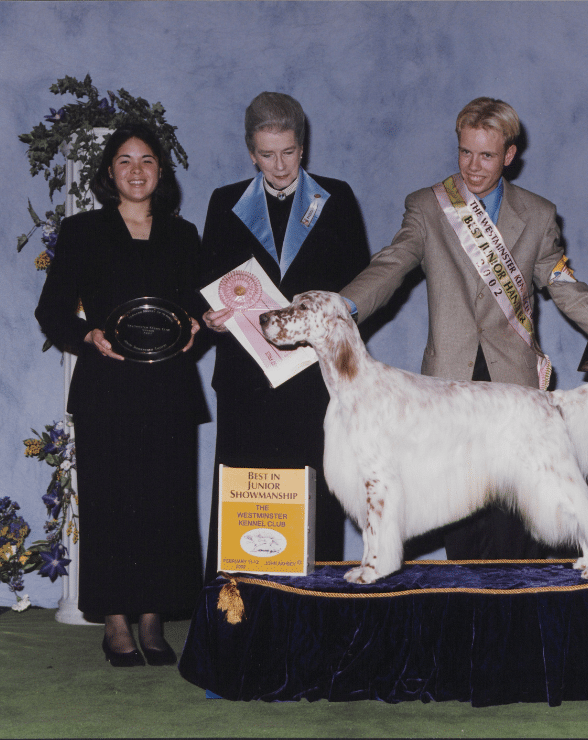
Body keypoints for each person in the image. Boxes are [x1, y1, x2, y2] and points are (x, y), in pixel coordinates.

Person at [340, 97, 588, 561]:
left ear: (509, 156)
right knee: (462, 528)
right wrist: (342, 305)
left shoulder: (537, 214)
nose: (473, 168)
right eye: (465, 153)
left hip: (513, 385)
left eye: (487, 155)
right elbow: (391, 266)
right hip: (448, 388)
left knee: (519, 534)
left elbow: (564, 285)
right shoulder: (429, 207)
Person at [35, 124, 207, 667]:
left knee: (166, 505)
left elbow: (198, 308)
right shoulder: (83, 230)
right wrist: (86, 335)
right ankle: (114, 624)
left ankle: (154, 623)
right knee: (111, 506)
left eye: (147, 160)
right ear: (109, 172)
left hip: (169, 391)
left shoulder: (184, 235)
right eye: (125, 160)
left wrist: (202, 325)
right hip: (106, 389)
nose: (137, 170)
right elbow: (52, 311)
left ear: (162, 171)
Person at [201, 92, 369, 579]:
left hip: (314, 379)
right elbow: (207, 283)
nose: (279, 165)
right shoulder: (224, 201)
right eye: (267, 154)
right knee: (245, 496)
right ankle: (238, 609)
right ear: (250, 152)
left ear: (303, 147)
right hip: (245, 377)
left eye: (289, 153)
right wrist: (211, 315)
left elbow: (358, 289)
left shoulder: (334, 199)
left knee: (317, 492)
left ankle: (317, 609)